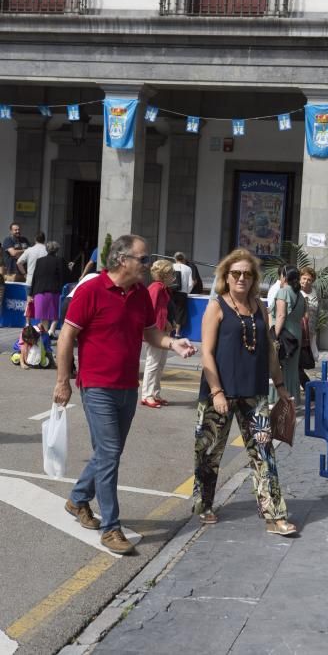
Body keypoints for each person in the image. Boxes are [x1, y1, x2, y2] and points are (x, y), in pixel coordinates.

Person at [53, 234, 196, 555]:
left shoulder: (140, 295)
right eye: (142, 259)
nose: (147, 265)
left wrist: (173, 343)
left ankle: (78, 499)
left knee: (108, 453)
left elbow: (149, 332)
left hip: (127, 387)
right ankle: (111, 527)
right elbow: (66, 337)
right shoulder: (91, 290)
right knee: (110, 451)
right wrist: (63, 380)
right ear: (122, 260)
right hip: (96, 386)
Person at [193, 248, 297, 536]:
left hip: (254, 392)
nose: (241, 278)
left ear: (254, 279)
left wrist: (280, 386)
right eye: (235, 273)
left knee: (264, 453)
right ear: (226, 277)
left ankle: (274, 515)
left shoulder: (260, 307)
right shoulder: (216, 306)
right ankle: (204, 505)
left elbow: (270, 352)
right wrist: (216, 391)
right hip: (220, 392)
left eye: (247, 274)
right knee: (209, 453)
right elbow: (208, 353)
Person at [270, 264, 306, 403]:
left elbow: (281, 316)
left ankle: (277, 399)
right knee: (291, 368)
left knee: (278, 366)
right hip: (295, 333)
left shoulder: (283, 292)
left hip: (284, 332)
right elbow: (303, 315)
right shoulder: (300, 295)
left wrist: (274, 336)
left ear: (284, 277)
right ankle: (292, 398)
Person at [141, 259, 175, 408]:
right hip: (156, 331)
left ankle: (155, 393)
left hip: (162, 330)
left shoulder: (161, 288)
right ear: (164, 275)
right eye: (171, 274)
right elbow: (150, 310)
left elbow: (161, 310)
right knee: (153, 363)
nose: (173, 276)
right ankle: (147, 395)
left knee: (159, 363)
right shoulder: (156, 288)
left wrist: (167, 322)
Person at [31, 241, 69, 339]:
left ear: (46, 249)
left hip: (39, 291)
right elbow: (64, 276)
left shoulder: (39, 261)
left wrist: (31, 293)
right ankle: (50, 332)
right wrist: (69, 269)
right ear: (57, 250)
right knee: (56, 314)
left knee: (44, 317)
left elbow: (35, 277)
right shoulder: (59, 260)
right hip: (53, 291)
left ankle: (44, 336)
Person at [17, 231, 48, 324]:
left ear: (35, 239)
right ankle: (41, 324)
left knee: (29, 302)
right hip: (43, 281)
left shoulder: (29, 250)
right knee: (42, 302)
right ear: (44, 239)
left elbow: (19, 262)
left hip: (30, 279)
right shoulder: (47, 250)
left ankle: (27, 323)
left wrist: (24, 274)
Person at [299, 266, 319, 391]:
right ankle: (307, 387)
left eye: (309, 279)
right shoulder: (296, 292)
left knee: (306, 357)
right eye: (304, 278)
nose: (306, 281)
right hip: (299, 330)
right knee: (299, 360)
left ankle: (304, 385)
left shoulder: (314, 292)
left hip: (310, 329)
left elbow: (317, 311)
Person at [172, 251, 193, 337]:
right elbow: (190, 283)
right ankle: (177, 333)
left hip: (171, 292)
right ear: (183, 259)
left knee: (170, 310)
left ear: (175, 258)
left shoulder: (171, 266)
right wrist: (187, 291)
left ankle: (167, 331)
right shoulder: (188, 268)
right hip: (182, 294)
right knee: (180, 313)